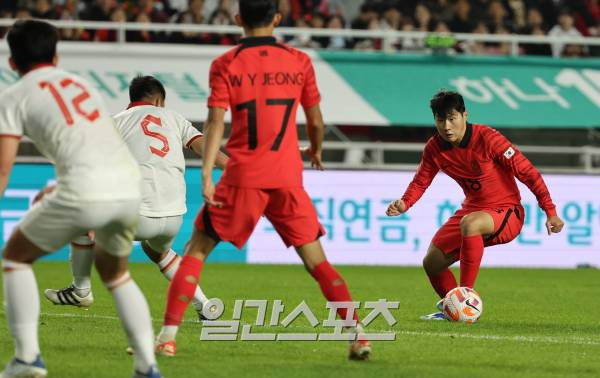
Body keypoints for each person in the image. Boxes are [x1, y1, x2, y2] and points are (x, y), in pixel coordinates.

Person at [154, 0, 371, 360]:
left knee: (195, 252)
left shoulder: (225, 64)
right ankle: (358, 334)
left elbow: (215, 122)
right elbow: (316, 120)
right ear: (277, 18)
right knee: (318, 262)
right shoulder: (299, 61)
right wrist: (315, 150)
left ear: (238, 19)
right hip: (286, 176)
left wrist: (207, 172)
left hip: (242, 176)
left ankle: (168, 337)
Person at [0, 20, 161, 378]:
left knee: (15, 256)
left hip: (85, 189)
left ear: (12, 63)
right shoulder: (83, 85)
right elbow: (95, 142)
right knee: (116, 274)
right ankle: (147, 365)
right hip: (128, 187)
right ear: (56, 57)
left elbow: (2, 170)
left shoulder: (12, 97)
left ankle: (27, 359)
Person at [42, 76, 228, 321]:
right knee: (160, 253)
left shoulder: (114, 123)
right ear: (159, 100)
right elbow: (208, 148)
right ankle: (204, 305)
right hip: (174, 216)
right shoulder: (175, 119)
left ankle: (81, 290)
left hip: (137, 215)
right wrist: (236, 170)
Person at [385, 91, 564, 320]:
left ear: (464, 115)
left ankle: (465, 300)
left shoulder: (488, 138)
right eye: (440, 120)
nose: (447, 126)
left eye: (452, 118)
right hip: (472, 210)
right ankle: (453, 309)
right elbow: (421, 180)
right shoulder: (434, 149)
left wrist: (550, 211)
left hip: (507, 211)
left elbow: (527, 173)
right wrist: (404, 203)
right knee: (432, 263)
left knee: (470, 223)